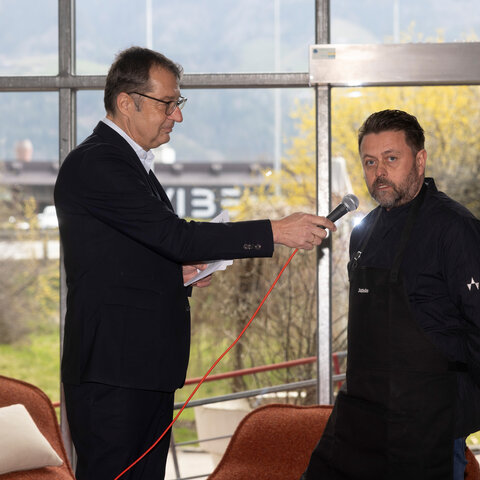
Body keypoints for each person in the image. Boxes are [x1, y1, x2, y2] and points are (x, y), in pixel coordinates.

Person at [54, 46, 335, 480]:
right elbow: (175, 236)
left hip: (138, 370)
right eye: (168, 104)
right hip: (115, 373)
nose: (177, 116)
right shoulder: (98, 162)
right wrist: (275, 231)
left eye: (177, 103)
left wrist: (175, 273)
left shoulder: (129, 163)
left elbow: (127, 255)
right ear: (126, 102)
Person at [301, 109, 480, 480]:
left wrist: (462, 411)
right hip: (359, 416)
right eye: (370, 162)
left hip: (428, 423)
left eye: (391, 158)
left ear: (420, 160)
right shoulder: (363, 233)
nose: (379, 172)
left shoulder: (455, 229)